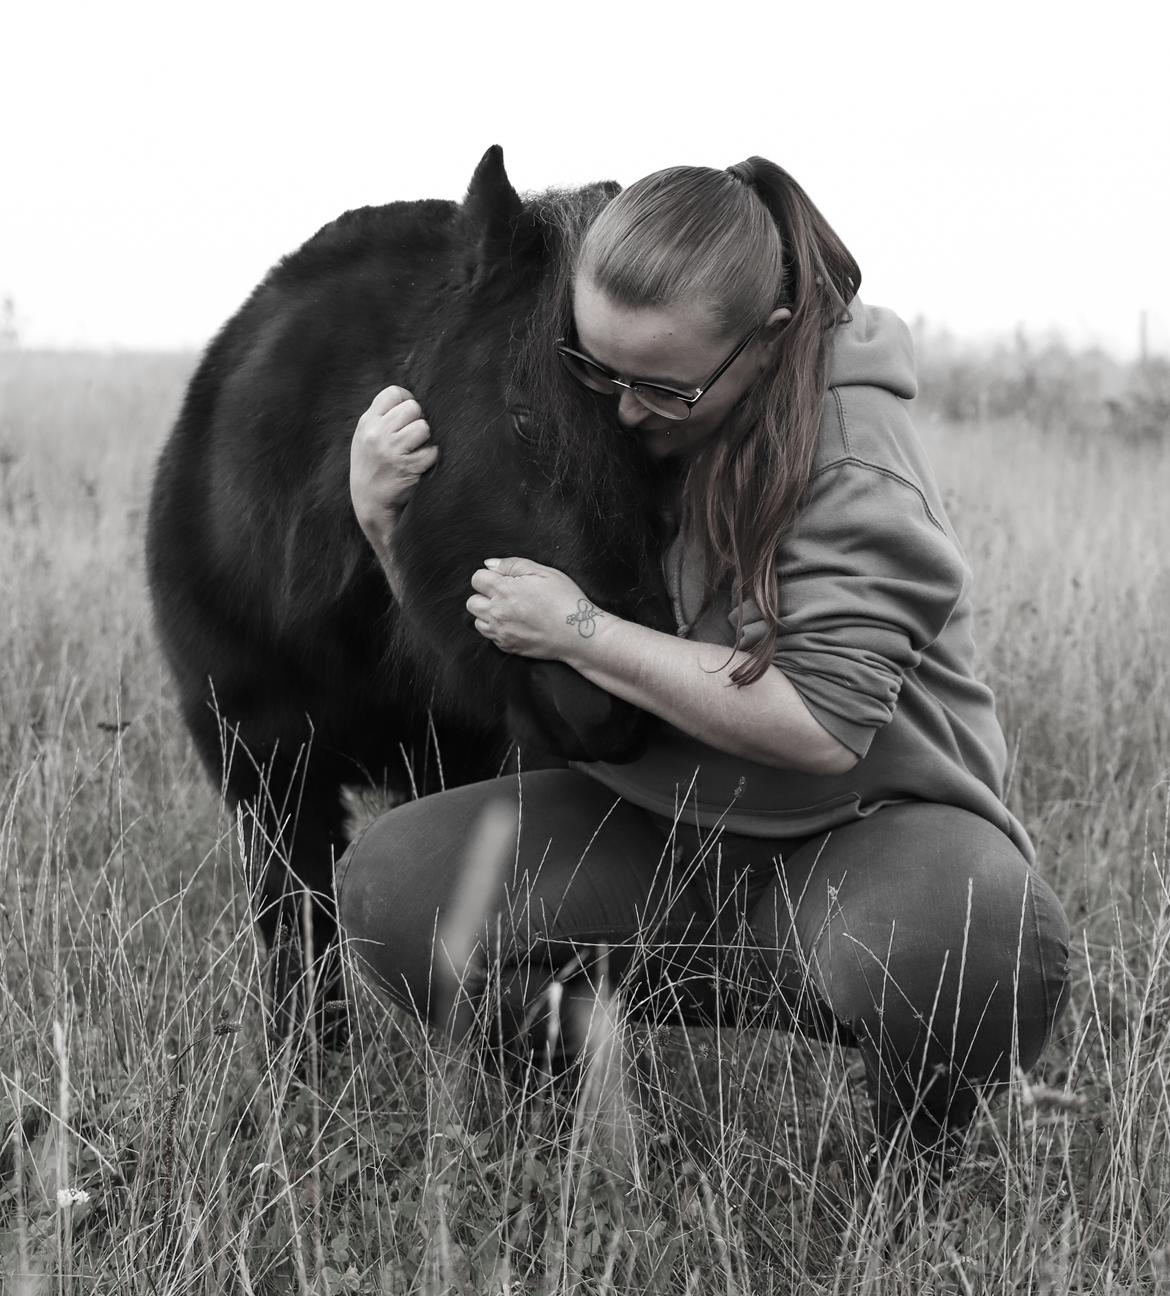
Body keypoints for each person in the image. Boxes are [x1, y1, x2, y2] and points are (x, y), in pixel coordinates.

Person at [338, 156, 1069, 1165]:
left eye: (661, 388)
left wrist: (582, 630)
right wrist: (388, 525)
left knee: (973, 936)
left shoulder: (851, 451)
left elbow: (819, 725)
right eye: (596, 369)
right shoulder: (632, 398)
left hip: (863, 838)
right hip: (653, 829)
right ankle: (590, 1124)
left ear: (767, 339)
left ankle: (918, 1172)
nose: (622, 412)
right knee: (394, 888)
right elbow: (504, 642)